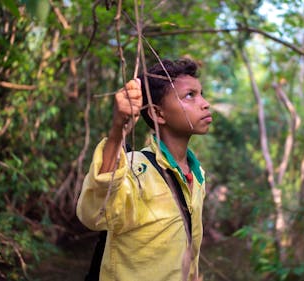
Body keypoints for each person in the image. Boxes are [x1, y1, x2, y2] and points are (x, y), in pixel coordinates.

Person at [76, 58, 212, 281]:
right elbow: (95, 214)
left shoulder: (197, 176)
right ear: (159, 114)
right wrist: (119, 127)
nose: (205, 103)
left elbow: (189, 250)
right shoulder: (135, 169)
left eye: (201, 93)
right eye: (190, 95)